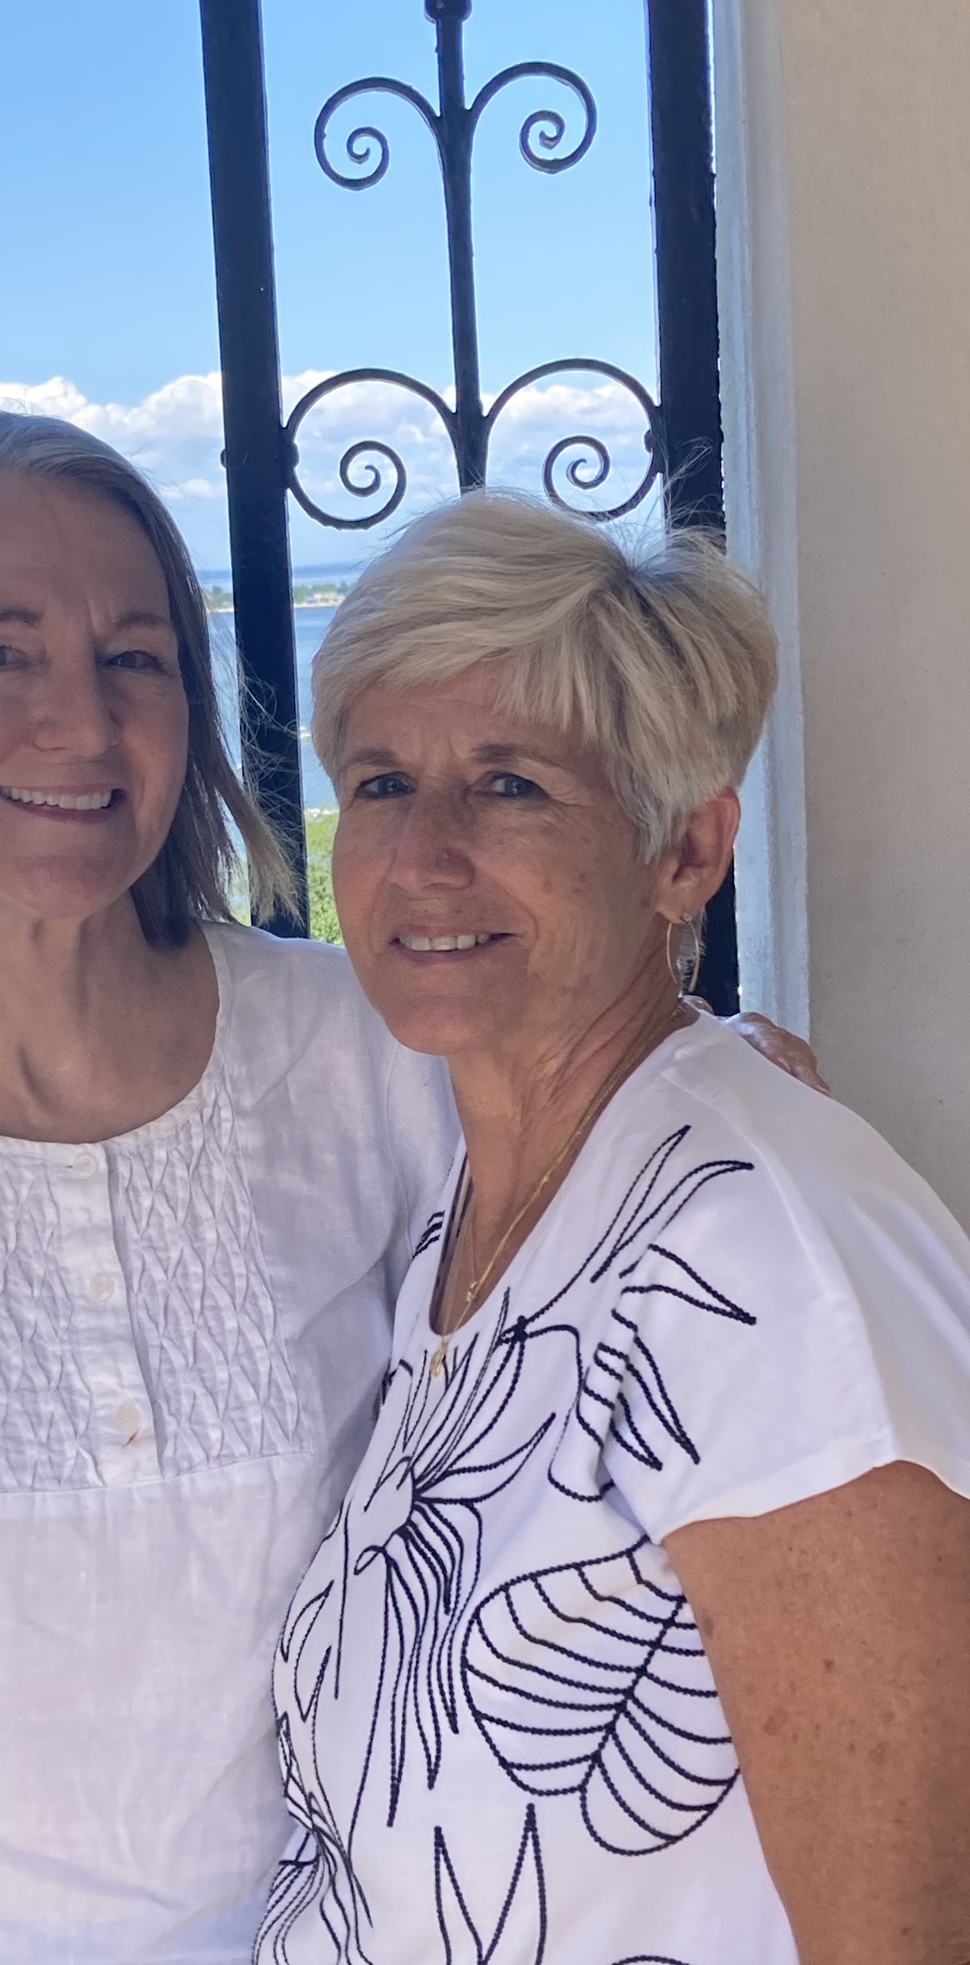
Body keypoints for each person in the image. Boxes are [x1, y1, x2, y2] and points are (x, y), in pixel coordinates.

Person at [0, 416, 817, 1965]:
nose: (78, 720)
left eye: (134, 658)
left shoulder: (376, 1048)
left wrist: (722, 1073)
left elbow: (612, 1152)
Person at [256, 491, 970, 1965]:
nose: (423, 854)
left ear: (685, 853)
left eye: (511, 785)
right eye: (382, 783)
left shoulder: (762, 1269)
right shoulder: (494, 1200)